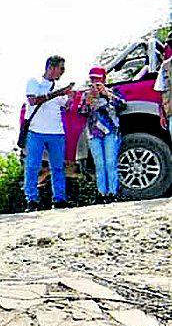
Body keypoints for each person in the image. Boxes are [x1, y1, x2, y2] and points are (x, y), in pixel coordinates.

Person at [21, 55, 74, 211]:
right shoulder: (34, 82)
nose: (63, 72)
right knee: (32, 166)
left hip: (56, 132)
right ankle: (32, 200)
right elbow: (33, 101)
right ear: (51, 67)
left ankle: (59, 199)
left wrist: (70, 98)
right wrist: (57, 93)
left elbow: (66, 106)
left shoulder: (60, 87)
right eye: (61, 68)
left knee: (58, 167)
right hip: (35, 132)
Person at [78, 65, 127, 203]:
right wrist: (87, 103)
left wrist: (107, 94)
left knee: (111, 162)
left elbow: (123, 105)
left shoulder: (114, 91)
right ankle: (101, 193)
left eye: (98, 79)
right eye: (92, 79)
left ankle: (113, 193)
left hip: (111, 131)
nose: (95, 82)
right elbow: (81, 113)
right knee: (99, 164)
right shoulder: (86, 95)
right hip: (93, 133)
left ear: (104, 79)